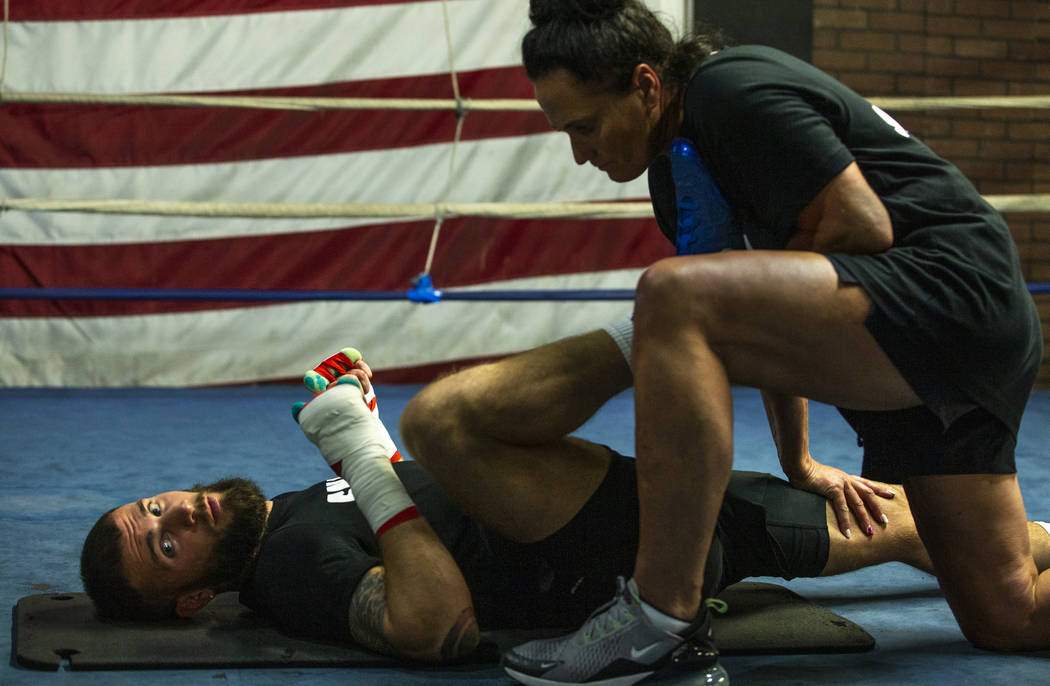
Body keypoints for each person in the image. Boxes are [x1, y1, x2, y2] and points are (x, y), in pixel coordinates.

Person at [462, 1, 1046, 684]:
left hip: (952, 297)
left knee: (672, 295)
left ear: (647, 86)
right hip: (935, 347)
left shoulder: (730, 90)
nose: (580, 152)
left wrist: (727, 287)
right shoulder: (674, 171)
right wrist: (798, 460)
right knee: (1007, 615)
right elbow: (764, 316)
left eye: (586, 127)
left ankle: (662, 619)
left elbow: (861, 226)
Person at [80, 332, 1050, 672]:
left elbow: (390, 504)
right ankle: (676, 326)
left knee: (936, 537)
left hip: (594, 497)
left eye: (153, 506)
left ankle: (674, 328)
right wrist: (365, 447)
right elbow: (435, 620)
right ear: (195, 600)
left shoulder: (289, 512)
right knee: (442, 423)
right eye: (163, 545)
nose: (178, 512)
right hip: (599, 542)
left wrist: (359, 445)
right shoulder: (286, 568)